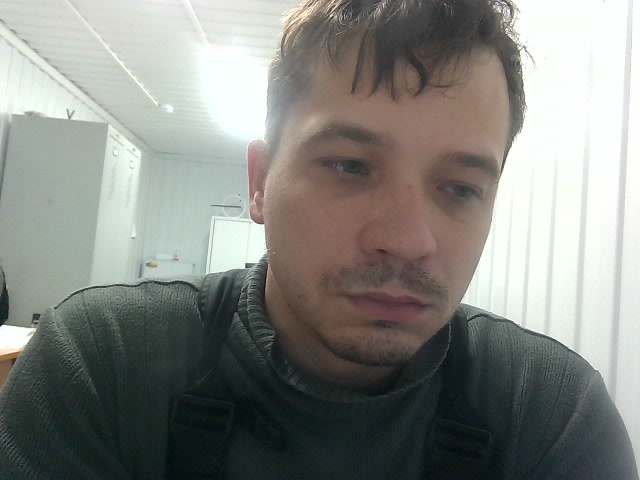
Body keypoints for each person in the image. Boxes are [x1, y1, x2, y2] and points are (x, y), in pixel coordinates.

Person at [0, 0, 637, 478]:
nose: (407, 240)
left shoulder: (548, 410)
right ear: (260, 182)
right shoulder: (104, 361)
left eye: (461, 189)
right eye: (350, 166)